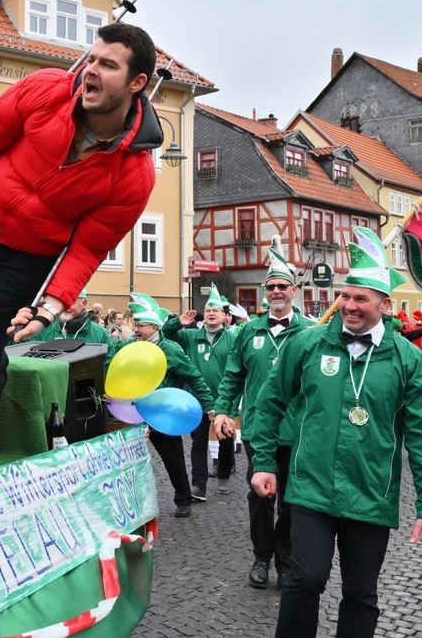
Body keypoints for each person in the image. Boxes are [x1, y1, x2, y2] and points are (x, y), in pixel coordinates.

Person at [0, 22, 162, 468]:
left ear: (137, 84)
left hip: (29, 255)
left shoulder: (135, 173)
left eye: (107, 65)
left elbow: (89, 249)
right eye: (91, 58)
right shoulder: (45, 90)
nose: (90, 71)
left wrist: (50, 308)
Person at [246, 226, 422, 638]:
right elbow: (269, 403)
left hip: (370, 493)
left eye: (361, 299)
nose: (349, 306)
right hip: (310, 488)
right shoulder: (309, 344)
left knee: (360, 594)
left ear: (384, 305)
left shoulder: (407, 360)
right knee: (304, 581)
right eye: (345, 297)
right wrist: (264, 463)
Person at [211, 236, 307, 590]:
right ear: (266, 293)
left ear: (293, 290)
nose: (277, 292)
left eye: (283, 286)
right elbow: (233, 376)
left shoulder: (311, 332)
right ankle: (261, 556)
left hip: (298, 431)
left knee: (293, 502)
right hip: (257, 431)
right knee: (260, 496)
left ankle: (285, 561)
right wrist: (222, 410)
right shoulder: (249, 331)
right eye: (272, 287)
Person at [125, 293, 215, 517]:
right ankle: (131, 506)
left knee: (173, 459)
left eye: (141, 325)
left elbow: (194, 377)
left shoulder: (170, 350)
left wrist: (209, 405)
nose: (136, 329)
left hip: (162, 414)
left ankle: (183, 498)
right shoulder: (131, 347)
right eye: (134, 324)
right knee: (129, 461)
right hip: (132, 413)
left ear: (154, 327)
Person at [163, 284, 236, 498]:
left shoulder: (233, 339)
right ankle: (199, 485)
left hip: (224, 399)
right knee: (199, 442)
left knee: (225, 439)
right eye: (209, 310)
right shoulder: (191, 336)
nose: (212, 313)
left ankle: (223, 475)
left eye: (216, 310)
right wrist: (178, 322)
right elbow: (165, 336)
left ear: (224, 316)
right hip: (197, 399)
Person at [21, 290, 112, 343]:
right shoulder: (43, 328)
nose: (65, 306)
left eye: (71, 302)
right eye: (61, 302)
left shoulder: (99, 333)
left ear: (84, 303)